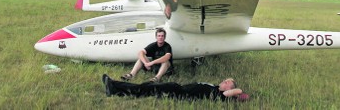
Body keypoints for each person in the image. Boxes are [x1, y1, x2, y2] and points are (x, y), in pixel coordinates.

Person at [103, 74, 249, 101]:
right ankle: (116, 91)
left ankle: (114, 85)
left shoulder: (219, 96)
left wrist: (236, 92)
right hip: (178, 89)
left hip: (179, 92)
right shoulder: (215, 87)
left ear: (229, 89)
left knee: (148, 88)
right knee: (147, 88)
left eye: (227, 83)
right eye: (225, 80)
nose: (223, 82)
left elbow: (239, 92)